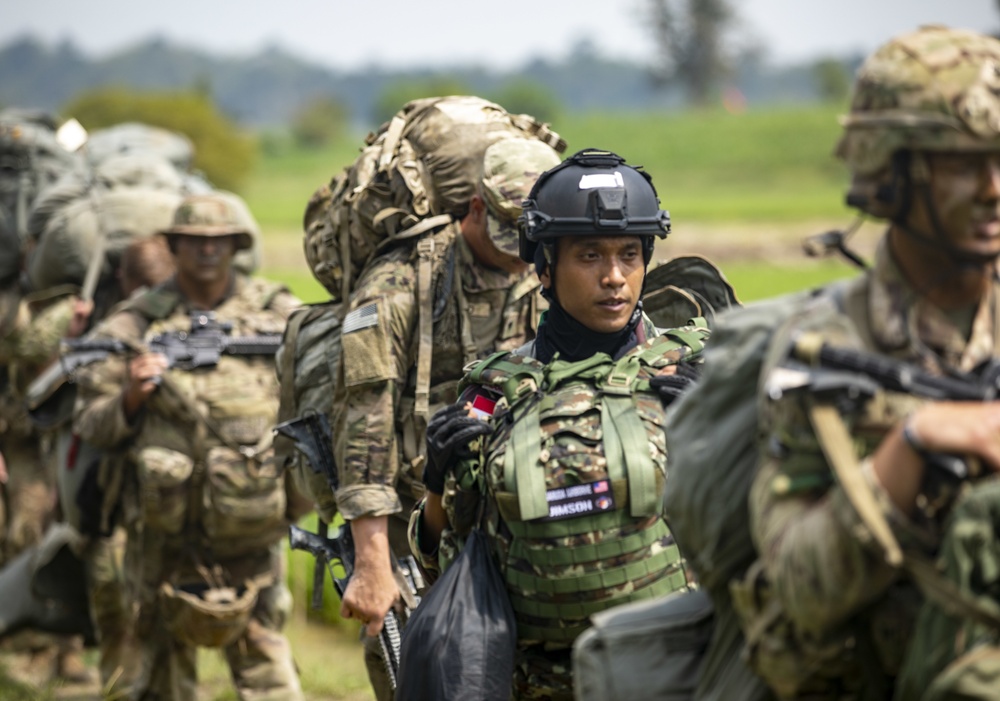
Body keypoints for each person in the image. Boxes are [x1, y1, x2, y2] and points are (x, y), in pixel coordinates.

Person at [668, 25, 1000, 700]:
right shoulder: (827, 350)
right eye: (965, 163)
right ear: (892, 170)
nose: (994, 188)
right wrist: (914, 445)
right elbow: (800, 587)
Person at [409, 148, 707, 699]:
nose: (614, 277)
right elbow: (444, 573)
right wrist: (434, 485)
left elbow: (767, 531)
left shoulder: (692, 373)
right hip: (538, 682)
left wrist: (714, 432)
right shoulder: (492, 393)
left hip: (674, 672)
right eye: (589, 255)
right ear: (545, 266)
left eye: (629, 255)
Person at [332, 136, 561, 700]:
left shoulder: (552, 268)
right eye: (511, 237)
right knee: (423, 664)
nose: (520, 257)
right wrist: (371, 563)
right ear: (475, 209)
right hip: (417, 519)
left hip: (525, 504)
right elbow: (364, 417)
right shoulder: (402, 279)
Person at [72, 192, 305, 701]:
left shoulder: (279, 312)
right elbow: (90, 423)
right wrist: (132, 396)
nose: (207, 252)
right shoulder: (135, 324)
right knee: (157, 672)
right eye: (195, 242)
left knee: (266, 665)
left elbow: (324, 396)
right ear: (174, 245)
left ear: (236, 246)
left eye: (219, 241)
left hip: (251, 524)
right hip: (161, 532)